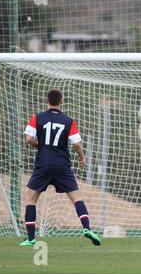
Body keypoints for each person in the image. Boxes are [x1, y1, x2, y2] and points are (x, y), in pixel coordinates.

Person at [21, 89, 101, 246]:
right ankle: (86, 228)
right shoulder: (68, 121)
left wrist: (39, 146)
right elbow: (77, 144)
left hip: (43, 164)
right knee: (76, 197)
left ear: (46, 100)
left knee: (31, 199)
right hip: (62, 165)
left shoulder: (37, 118)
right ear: (62, 101)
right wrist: (82, 157)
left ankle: (31, 238)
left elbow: (28, 138)